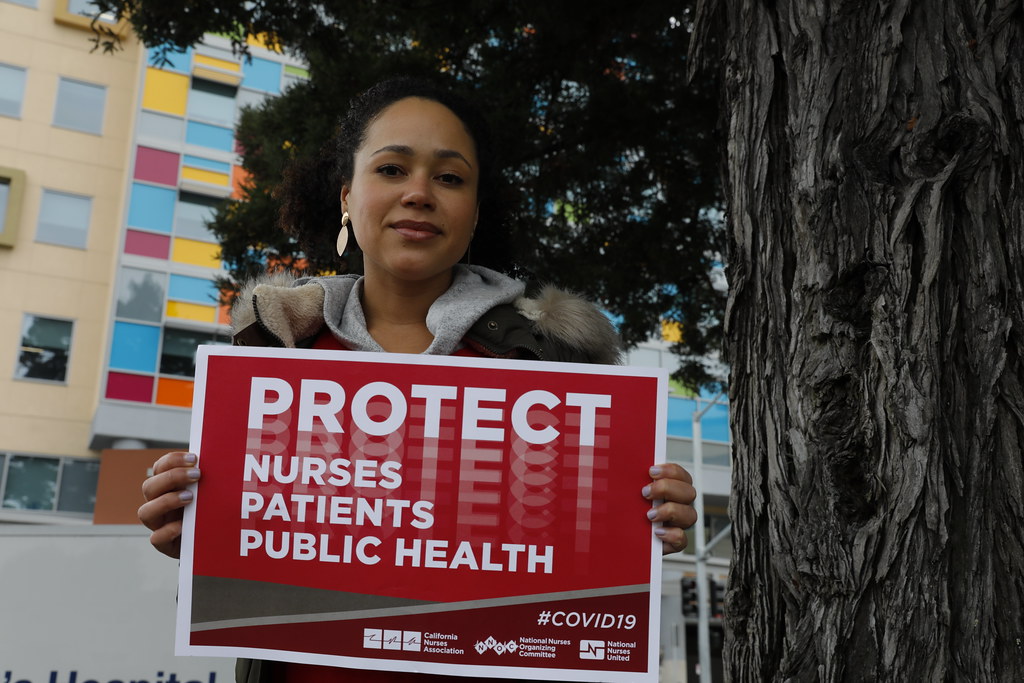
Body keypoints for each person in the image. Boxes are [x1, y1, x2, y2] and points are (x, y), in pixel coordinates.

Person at [139, 77, 698, 682]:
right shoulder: (276, 358)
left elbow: (584, 598)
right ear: (347, 195)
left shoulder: (554, 370)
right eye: (391, 169)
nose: (419, 193)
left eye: (450, 178)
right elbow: (245, 608)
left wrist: (645, 520)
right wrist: (196, 541)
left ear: (475, 210)